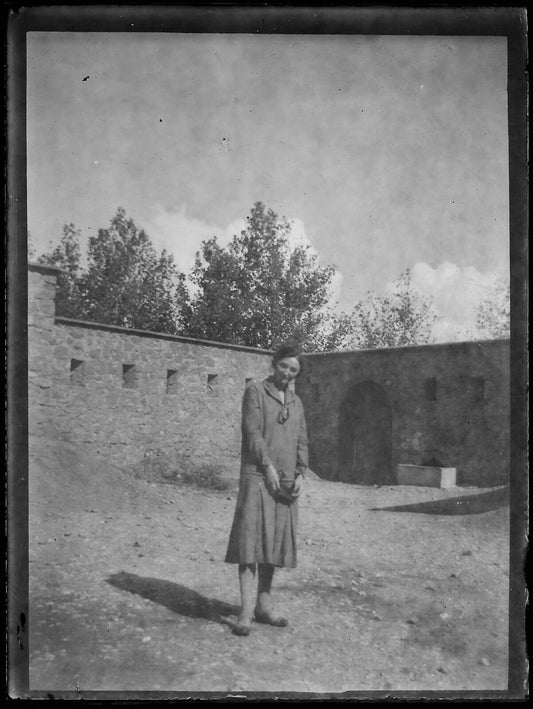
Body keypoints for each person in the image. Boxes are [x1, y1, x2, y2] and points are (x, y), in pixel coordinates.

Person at [225, 343, 309, 636]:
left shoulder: (297, 403)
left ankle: (264, 606)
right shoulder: (255, 393)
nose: (287, 373)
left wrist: (300, 473)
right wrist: (268, 467)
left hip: (286, 482)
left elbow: (301, 440)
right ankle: (245, 613)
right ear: (274, 365)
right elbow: (252, 433)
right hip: (258, 477)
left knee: (272, 547)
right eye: (283, 366)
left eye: (293, 369)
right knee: (250, 545)